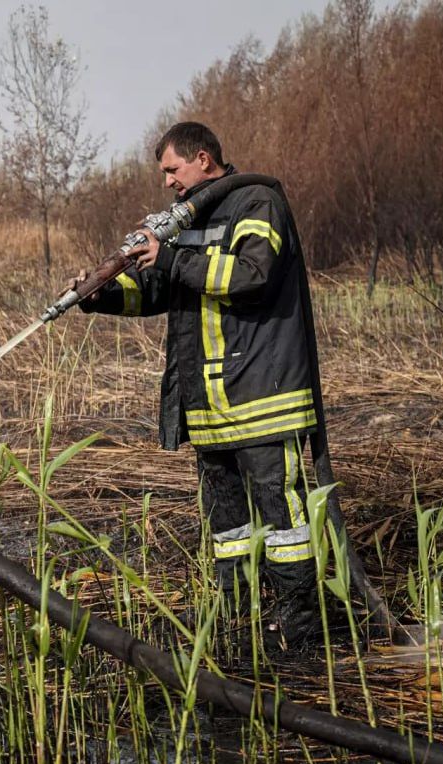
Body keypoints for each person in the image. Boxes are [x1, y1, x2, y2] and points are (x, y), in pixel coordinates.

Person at [68, 122, 322, 650]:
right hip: (209, 408)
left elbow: (252, 275)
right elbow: (160, 288)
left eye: (172, 169)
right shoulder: (187, 221)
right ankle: (238, 615)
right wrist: (98, 295)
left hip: (263, 399)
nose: (166, 182)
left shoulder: (256, 202)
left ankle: (297, 623)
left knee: (284, 521)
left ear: (203, 159)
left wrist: (172, 257)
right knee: (228, 528)